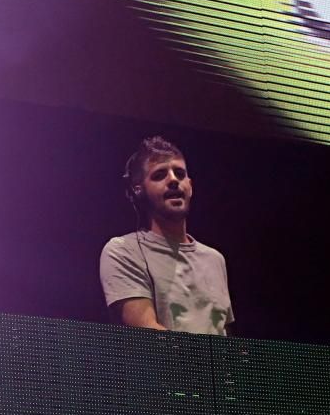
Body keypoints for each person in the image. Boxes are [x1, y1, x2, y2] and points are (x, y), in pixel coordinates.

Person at [99, 136, 234, 334]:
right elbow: (148, 336)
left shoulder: (215, 259)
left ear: (190, 186)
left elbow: (224, 333)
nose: (173, 180)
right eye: (159, 175)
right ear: (138, 190)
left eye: (179, 173)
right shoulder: (122, 251)